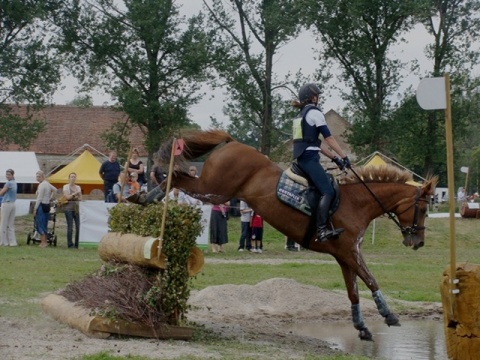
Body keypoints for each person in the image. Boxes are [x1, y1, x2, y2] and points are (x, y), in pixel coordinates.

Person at [292, 83, 351, 242]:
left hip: (303, 158)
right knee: (328, 191)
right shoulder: (315, 113)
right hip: (309, 160)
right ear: (312, 97)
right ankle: (322, 230)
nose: (319, 98)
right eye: (317, 95)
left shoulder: (301, 115)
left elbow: (316, 143)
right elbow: (329, 138)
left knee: (324, 187)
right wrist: (344, 156)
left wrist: (335, 159)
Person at [34, 171, 57, 248]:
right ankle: (44, 241)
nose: (37, 178)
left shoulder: (42, 185)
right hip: (47, 205)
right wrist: (50, 198)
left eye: (39, 176)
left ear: (43, 176)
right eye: (37, 176)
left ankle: (43, 242)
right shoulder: (47, 184)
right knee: (44, 223)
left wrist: (35, 208)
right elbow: (55, 190)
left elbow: (39, 198)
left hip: (41, 205)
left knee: (40, 224)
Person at [62, 172, 82, 249]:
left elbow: (80, 198)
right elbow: (67, 197)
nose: (73, 178)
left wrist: (73, 196)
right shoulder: (65, 187)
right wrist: (75, 194)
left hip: (76, 209)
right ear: (69, 178)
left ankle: (77, 243)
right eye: (71, 177)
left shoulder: (78, 187)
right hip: (68, 209)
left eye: (74, 177)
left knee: (78, 226)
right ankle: (70, 244)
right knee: (70, 227)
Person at [0, 169, 18, 247]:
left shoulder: (8, 183)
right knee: (10, 224)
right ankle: (12, 242)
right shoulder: (15, 183)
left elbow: (1, 193)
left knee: (3, 223)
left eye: (9, 174)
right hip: (12, 203)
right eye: (7, 174)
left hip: (6, 203)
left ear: (12, 175)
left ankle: (3, 241)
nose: (7, 176)